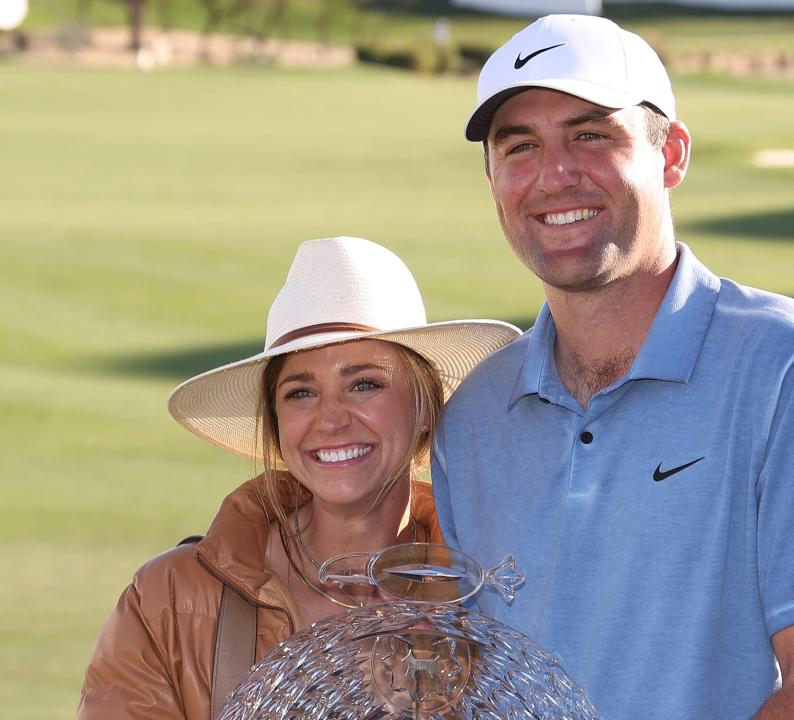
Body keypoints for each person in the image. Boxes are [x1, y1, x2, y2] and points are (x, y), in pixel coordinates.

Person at [431, 14, 794, 720]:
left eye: (591, 135)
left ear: (672, 156)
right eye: (520, 146)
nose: (554, 175)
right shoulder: (475, 413)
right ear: (493, 181)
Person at [77, 236, 520, 719]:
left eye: (364, 384)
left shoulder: (493, 592)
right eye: (300, 393)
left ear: (425, 413)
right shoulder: (167, 600)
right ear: (276, 424)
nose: (330, 419)